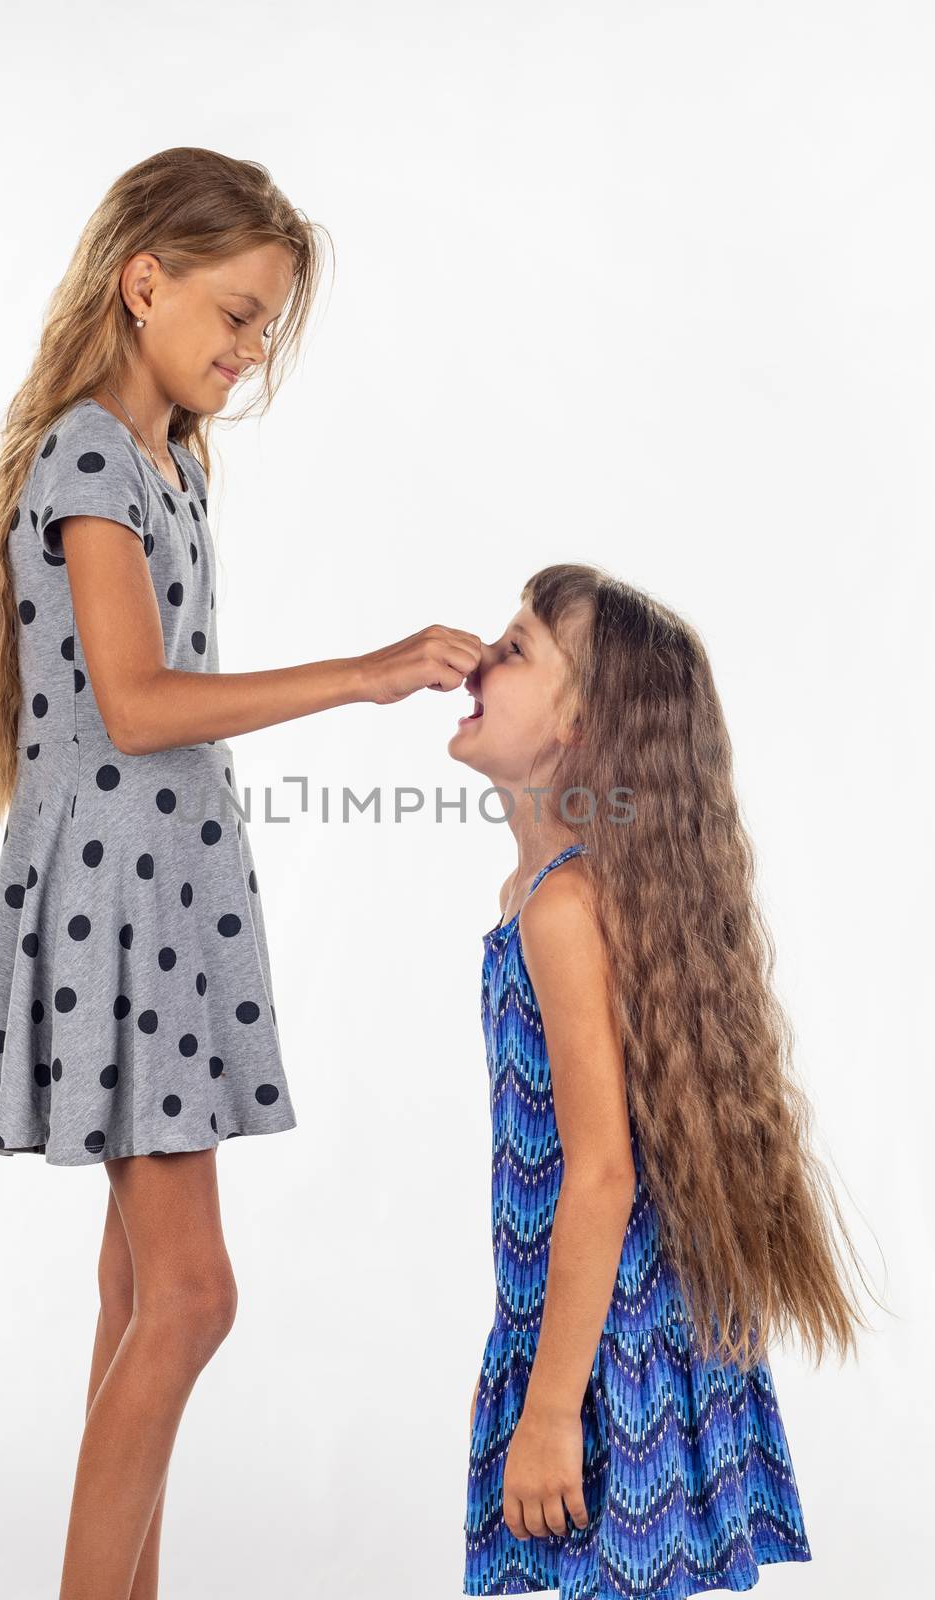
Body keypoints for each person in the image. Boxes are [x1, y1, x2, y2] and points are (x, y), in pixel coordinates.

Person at [0, 145, 481, 1600]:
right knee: (192, 1290)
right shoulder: (91, 456)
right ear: (145, 282)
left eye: (263, 329)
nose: (247, 354)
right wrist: (362, 673)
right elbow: (134, 702)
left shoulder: (164, 455)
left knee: (138, 1289)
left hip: (164, 888)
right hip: (122, 892)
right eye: (235, 317)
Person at [449, 563, 880, 1599]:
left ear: (578, 730)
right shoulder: (537, 891)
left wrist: (550, 1404)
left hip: (611, 1351)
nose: (478, 659)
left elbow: (601, 1174)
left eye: (513, 650)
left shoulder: (560, 910)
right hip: (605, 1328)